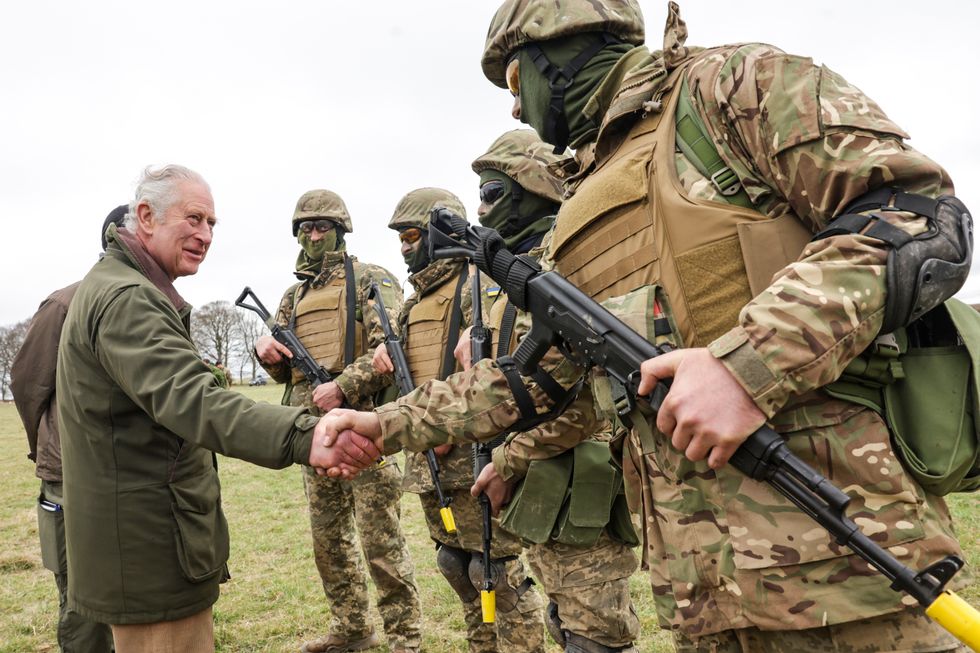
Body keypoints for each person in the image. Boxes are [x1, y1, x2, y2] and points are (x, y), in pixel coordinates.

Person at [318, 2, 971, 651]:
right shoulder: (579, 205)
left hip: (850, 573)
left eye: (516, 81)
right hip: (701, 597)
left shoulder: (733, 87)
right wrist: (385, 425)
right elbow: (539, 380)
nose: (514, 109)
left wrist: (745, 366)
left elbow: (918, 214)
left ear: (563, 46)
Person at [56, 165, 378, 653]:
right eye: (193, 219)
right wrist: (303, 434)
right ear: (145, 216)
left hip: (140, 542)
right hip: (150, 552)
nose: (205, 235)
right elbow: (193, 398)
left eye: (212, 223)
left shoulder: (124, 288)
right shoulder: (127, 299)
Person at [466, 129, 641, 653]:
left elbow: (595, 400)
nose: (481, 207)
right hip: (539, 484)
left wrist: (510, 458)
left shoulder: (572, 268)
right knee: (565, 624)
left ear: (530, 189)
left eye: (493, 193)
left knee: (596, 637)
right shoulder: (515, 281)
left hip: (581, 482)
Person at [369, 187, 546, 653]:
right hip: (428, 457)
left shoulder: (477, 284)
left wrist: (450, 429)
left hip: (473, 453)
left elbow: (498, 361)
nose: (406, 246)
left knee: (495, 573)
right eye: (400, 238)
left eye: (413, 235)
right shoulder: (413, 302)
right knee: (455, 564)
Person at [255, 189, 421, 653]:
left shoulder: (369, 279)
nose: (313, 235)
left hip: (367, 431)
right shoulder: (294, 295)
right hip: (313, 435)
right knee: (328, 544)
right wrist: (264, 352)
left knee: (381, 545)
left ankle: (404, 641)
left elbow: (393, 348)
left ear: (340, 230)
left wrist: (344, 386)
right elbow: (283, 368)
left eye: (322, 227)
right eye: (306, 228)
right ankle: (352, 629)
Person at [10, 204, 127, 653]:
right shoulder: (64, 303)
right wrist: (49, 449)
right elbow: (27, 382)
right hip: (71, 476)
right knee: (81, 593)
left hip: (134, 473)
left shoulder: (156, 301)